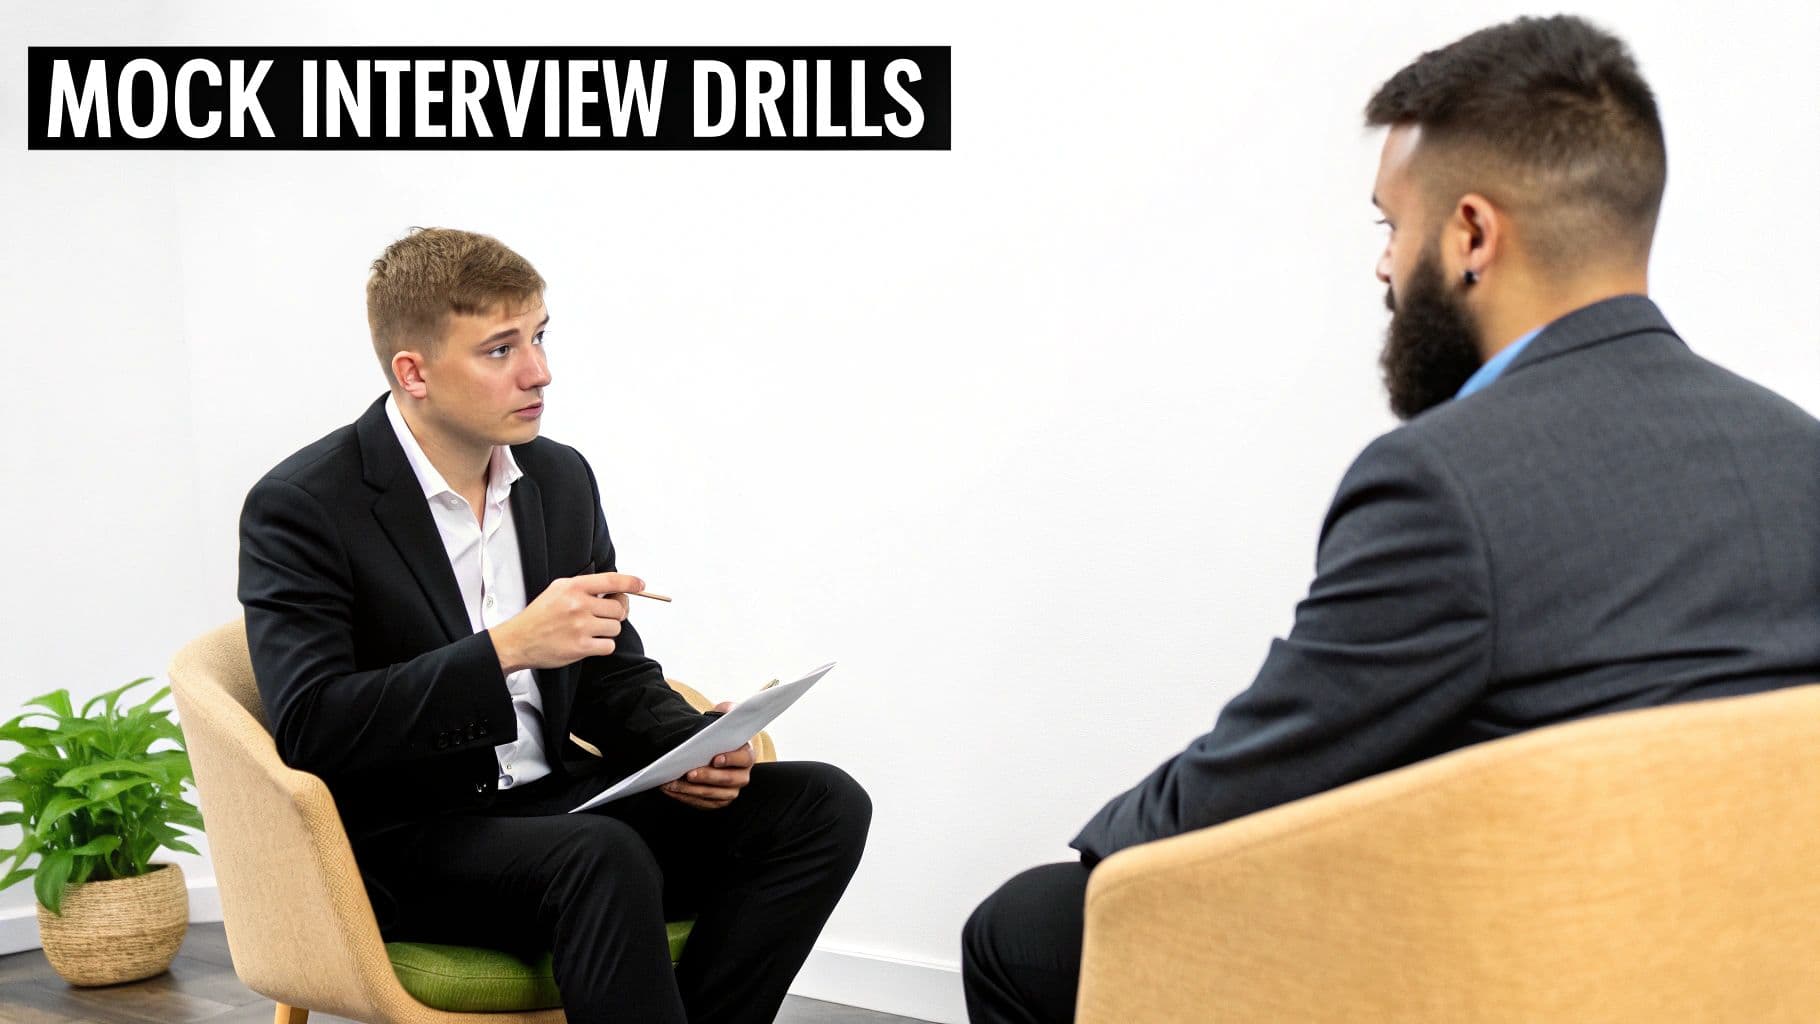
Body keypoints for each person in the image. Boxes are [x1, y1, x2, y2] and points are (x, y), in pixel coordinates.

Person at [961, 15, 1820, 1023]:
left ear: (1467, 234)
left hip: (1511, 965)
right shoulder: (1793, 447)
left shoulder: (1442, 483)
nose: (1380, 265)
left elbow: (1237, 789)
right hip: (1747, 961)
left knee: (1026, 927)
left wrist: (1097, 850)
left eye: (1387, 225)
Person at [238, 227, 871, 1024]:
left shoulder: (558, 477)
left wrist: (690, 746)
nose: (539, 371)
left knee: (821, 806)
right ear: (414, 372)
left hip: (558, 806)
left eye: (538, 337)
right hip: (409, 842)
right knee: (600, 856)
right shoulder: (303, 506)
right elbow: (310, 726)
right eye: (501, 349)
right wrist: (506, 650)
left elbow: (609, 671)